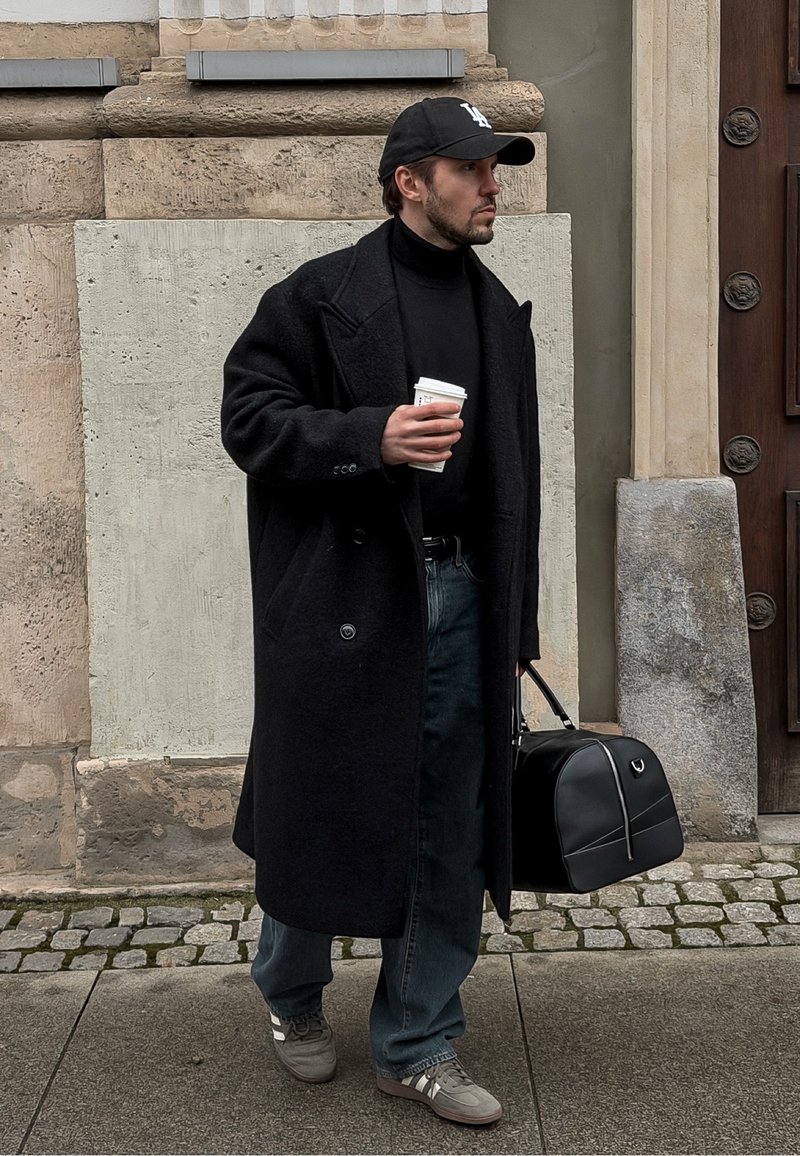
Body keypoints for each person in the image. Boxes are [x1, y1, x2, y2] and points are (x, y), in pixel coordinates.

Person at [220, 96, 540, 1127]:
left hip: (462, 599)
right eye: (473, 168)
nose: (494, 184)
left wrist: (514, 624)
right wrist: (370, 436)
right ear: (409, 180)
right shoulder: (319, 296)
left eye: (497, 169)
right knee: (324, 811)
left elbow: (513, 485)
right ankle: (290, 996)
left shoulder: (498, 315)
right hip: (348, 601)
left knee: (448, 822)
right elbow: (250, 419)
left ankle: (414, 1039)